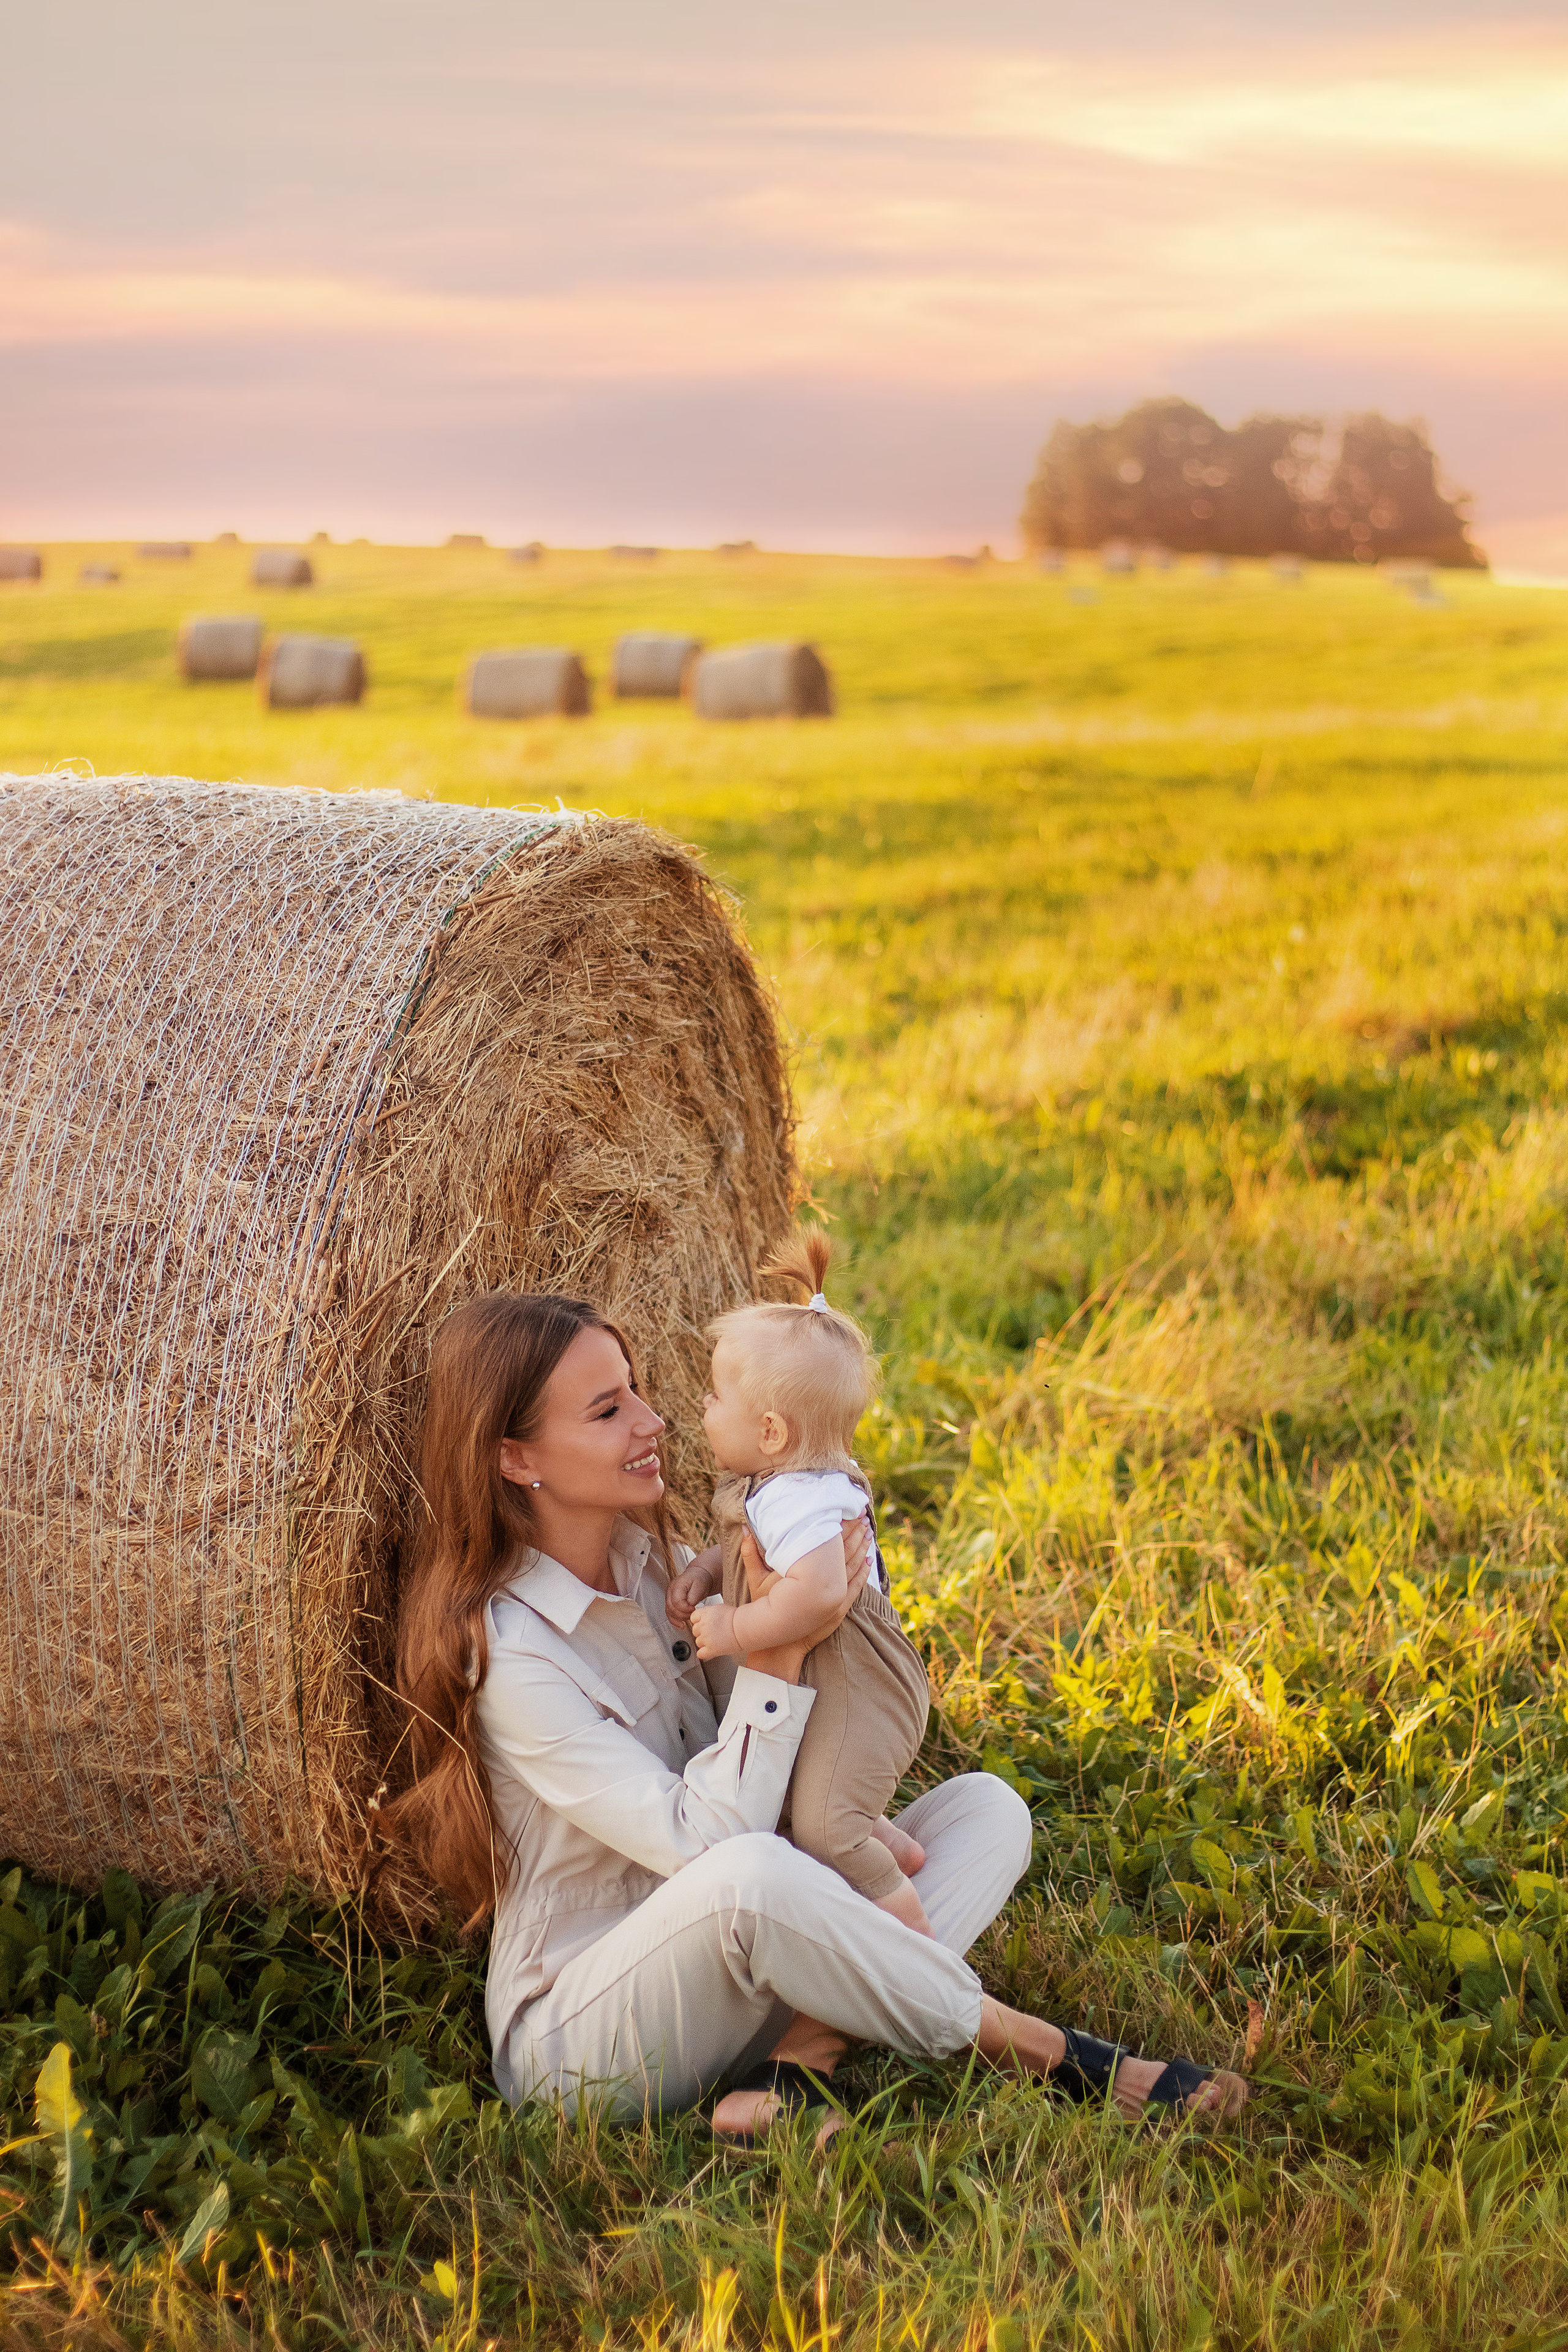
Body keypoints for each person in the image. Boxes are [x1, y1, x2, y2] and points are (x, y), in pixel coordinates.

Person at [384, 1289, 1248, 2139]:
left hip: (755, 1957)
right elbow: (708, 1841)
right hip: (596, 2031)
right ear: (515, 1459)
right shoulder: (511, 1656)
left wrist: (825, 1596)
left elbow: (786, 1762)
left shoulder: (663, 1568)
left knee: (986, 1809)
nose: (653, 1421)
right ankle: (1055, 2056)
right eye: (610, 1410)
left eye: (638, 1389)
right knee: (752, 1875)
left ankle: (797, 2066)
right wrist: (777, 1653)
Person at [673, 1228, 935, 1937]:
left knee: (825, 1829)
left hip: (863, 1681)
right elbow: (753, 1545)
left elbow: (819, 1595)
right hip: (832, 1674)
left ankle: (919, 1949)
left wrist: (735, 1628)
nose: (701, 1405)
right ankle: (902, 1851)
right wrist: (705, 1567)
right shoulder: (774, 1485)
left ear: (770, 1431)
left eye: (714, 1395)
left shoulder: (803, 1497)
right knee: (801, 1793)